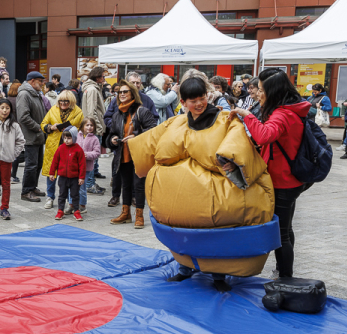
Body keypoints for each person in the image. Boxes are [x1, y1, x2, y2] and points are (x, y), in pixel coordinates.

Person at [132, 76, 273, 291]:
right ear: (183, 102)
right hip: (179, 199)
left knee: (213, 233)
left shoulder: (224, 119)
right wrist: (132, 143)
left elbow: (237, 140)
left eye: (202, 98)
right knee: (184, 233)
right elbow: (152, 141)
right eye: (193, 100)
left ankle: (218, 275)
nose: (199, 104)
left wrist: (227, 159)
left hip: (214, 195)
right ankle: (185, 268)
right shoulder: (177, 122)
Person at [229, 69, 309, 279]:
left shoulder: (282, 113)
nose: (258, 93)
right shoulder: (290, 108)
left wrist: (245, 115)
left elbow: (264, 135)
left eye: (262, 90)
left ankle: (285, 278)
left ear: (273, 91)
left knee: (280, 233)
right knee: (286, 228)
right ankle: (283, 272)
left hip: (283, 179)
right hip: (290, 177)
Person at [106, 79, 158, 228]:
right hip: (123, 154)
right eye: (119, 92)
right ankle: (126, 213)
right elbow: (111, 135)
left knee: (138, 185)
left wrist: (136, 136)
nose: (121, 94)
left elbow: (153, 130)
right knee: (126, 185)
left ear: (132, 93)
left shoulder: (142, 111)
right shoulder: (117, 114)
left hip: (139, 154)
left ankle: (139, 216)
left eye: (125, 92)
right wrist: (113, 139)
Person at [40, 90, 83, 210]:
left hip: (70, 147)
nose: (63, 103)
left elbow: (81, 127)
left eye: (66, 101)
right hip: (53, 145)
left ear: (71, 101)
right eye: (61, 101)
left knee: (70, 174)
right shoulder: (53, 109)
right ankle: (50, 197)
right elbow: (43, 124)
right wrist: (50, 127)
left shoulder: (78, 112)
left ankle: (70, 201)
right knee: (51, 172)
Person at [49, 126, 86, 222]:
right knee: (62, 195)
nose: (66, 140)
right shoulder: (60, 148)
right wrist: (52, 173)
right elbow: (55, 162)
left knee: (75, 195)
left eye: (69, 138)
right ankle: (60, 210)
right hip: (63, 178)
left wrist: (81, 177)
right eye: (65, 138)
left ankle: (76, 211)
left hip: (74, 178)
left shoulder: (78, 149)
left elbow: (82, 164)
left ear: (74, 138)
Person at [78, 118, 102, 206]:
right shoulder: (77, 136)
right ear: (82, 126)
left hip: (86, 167)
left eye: (91, 125)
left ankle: (82, 205)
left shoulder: (95, 139)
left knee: (82, 186)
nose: (89, 127)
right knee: (73, 187)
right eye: (87, 125)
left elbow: (97, 152)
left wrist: (87, 155)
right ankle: (72, 204)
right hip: (75, 166)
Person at [81, 67, 107, 142]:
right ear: (97, 77)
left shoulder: (93, 88)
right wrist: (99, 128)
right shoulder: (92, 89)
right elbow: (91, 112)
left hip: (93, 128)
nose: (104, 78)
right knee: (94, 153)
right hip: (94, 130)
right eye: (103, 76)